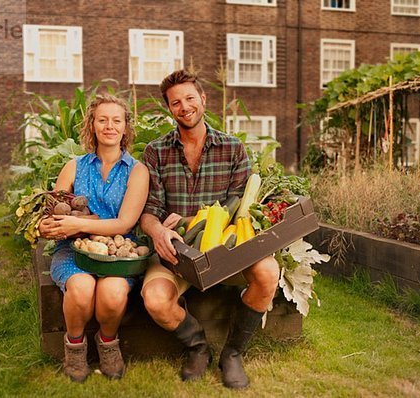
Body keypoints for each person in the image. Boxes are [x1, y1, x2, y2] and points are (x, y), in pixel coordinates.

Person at [140, 70, 280, 389]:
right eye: (176, 102)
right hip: (176, 253)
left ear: (203, 100)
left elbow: (238, 209)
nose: (184, 106)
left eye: (190, 98)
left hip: (226, 250)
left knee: (268, 273)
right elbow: (149, 212)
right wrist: (159, 231)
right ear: (169, 109)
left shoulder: (232, 149)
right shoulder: (156, 152)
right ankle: (197, 347)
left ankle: (232, 353)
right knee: (156, 300)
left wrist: (189, 222)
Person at [39, 94, 149, 382]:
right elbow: (54, 213)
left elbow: (126, 222)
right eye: (102, 120)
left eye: (116, 120)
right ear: (93, 125)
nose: (109, 126)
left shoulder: (137, 171)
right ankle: (74, 346)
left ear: (126, 127)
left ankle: (108, 342)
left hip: (117, 252)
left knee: (112, 295)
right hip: (74, 250)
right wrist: (48, 225)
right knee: (82, 290)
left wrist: (78, 223)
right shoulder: (74, 167)